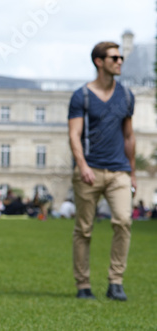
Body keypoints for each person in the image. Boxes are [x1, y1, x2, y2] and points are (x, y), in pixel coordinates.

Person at [68, 42, 136, 301]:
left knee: (123, 221)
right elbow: (74, 135)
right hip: (89, 171)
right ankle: (83, 285)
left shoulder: (127, 96)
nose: (120, 61)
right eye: (114, 57)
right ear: (99, 61)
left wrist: (133, 172)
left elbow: (129, 136)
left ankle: (115, 281)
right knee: (84, 230)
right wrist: (82, 165)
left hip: (119, 171)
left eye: (120, 57)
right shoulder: (81, 96)